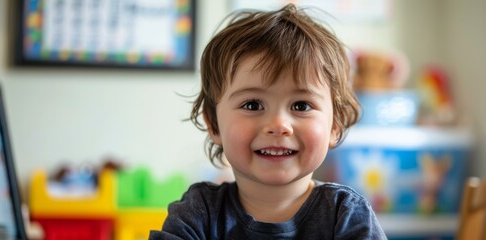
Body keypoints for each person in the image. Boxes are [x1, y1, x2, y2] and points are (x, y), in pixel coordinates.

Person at [149, 3, 386, 240]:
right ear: (214, 124)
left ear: (335, 125)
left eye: (301, 106)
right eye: (252, 105)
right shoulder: (199, 212)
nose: (279, 124)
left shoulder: (346, 215)